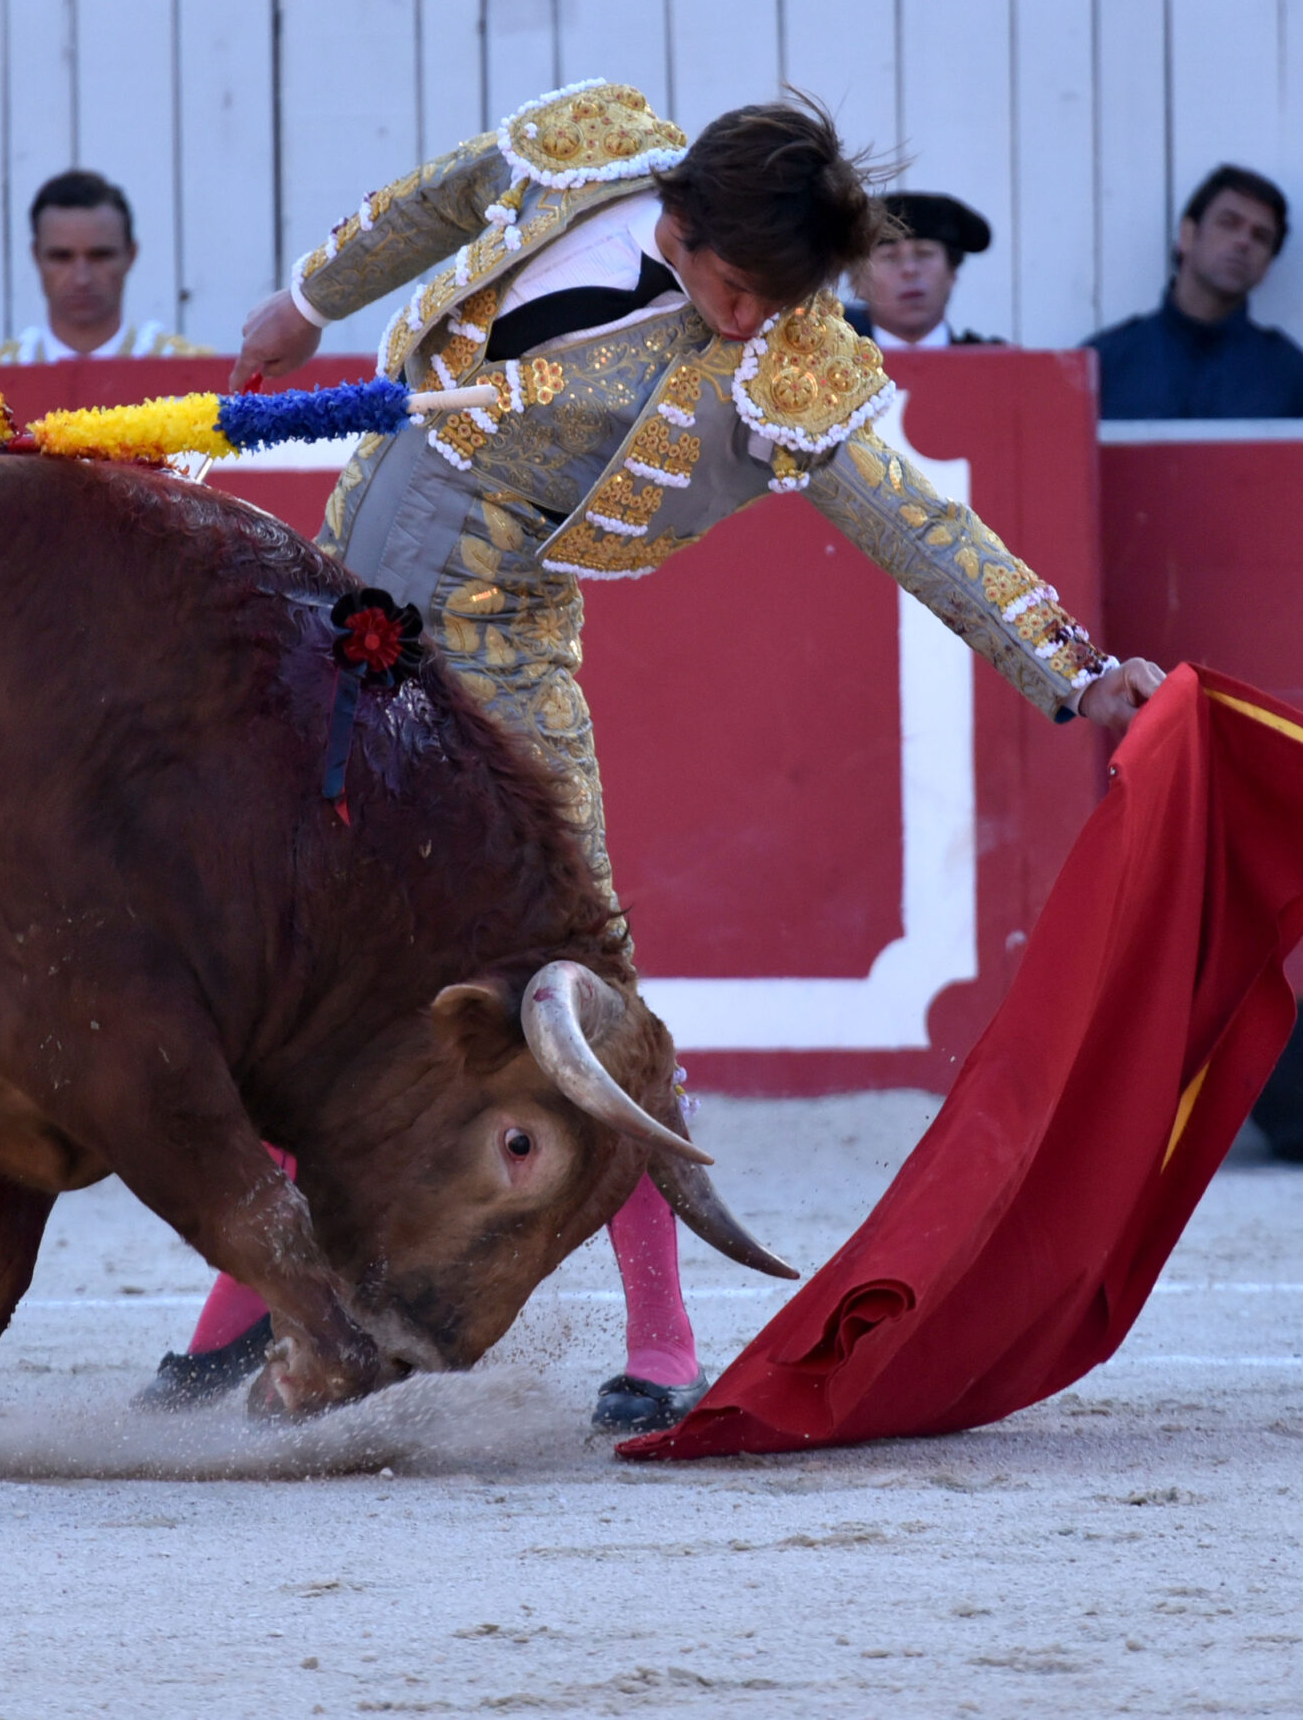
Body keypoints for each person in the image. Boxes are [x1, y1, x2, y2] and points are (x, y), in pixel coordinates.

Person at [147, 82, 1165, 1432]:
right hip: (340, 617)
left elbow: (920, 526)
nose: (749, 321)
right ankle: (256, 1301)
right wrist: (308, 296)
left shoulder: (780, 361)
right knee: (308, 958)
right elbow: (443, 194)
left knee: (580, 988)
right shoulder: (595, 156)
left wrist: (1077, 669)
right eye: (736, 284)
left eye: (776, 297)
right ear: (676, 216)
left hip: (496, 657)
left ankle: (665, 1338)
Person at [0, 170, 209, 436]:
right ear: (36, 257)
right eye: (61, 257)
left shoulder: (195, 382)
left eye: (100, 255)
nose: (82, 278)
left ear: (131, 254)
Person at [1085, 164, 1303, 421]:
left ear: (1267, 266)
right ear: (1188, 235)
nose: (1243, 242)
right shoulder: (1105, 363)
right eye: (1228, 223)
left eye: (1260, 237)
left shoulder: (1293, 378)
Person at [846, 191, 1000, 349]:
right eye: (890, 257)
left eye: (924, 254)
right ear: (857, 281)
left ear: (952, 272)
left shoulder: (997, 367)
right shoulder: (828, 369)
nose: (910, 269)